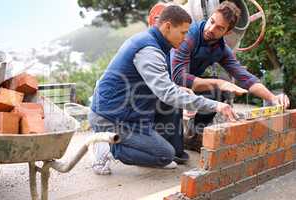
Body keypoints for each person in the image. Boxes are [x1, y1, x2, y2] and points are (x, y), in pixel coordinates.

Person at [89, 5, 239, 175]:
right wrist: (216, 105)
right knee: (164, 155)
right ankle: (106, 145)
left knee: (166, 155)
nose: (185, 38)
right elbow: (167, 94)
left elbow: (161, 84)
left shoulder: (157, 44)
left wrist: (179, 88)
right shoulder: (149, 50)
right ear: (168, 27)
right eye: (183, 32)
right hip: (110, 117)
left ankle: (126, 142)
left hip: (129, 115)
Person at [169, 1, 290, 150]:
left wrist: (272, 97)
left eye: (219, 28)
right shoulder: (189, 36)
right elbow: (179, 78)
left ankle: (193, 136)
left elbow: (245, 78)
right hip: (163, 85)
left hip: (187, 88)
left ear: (227, 32)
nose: (211, 29)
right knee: (172, 150)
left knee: (219, 92)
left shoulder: (221, 49)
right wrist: (219, 82)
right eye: (211, 21)